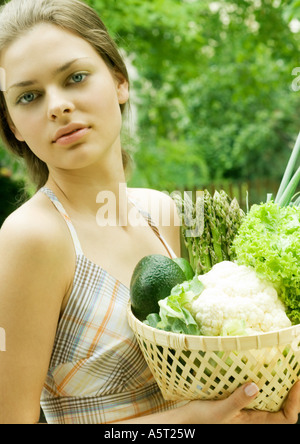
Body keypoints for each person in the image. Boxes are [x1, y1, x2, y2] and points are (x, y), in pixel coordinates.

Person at [0, 0, 299, 425]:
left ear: (119, 82)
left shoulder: (159, 210)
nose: (57, 105)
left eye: (76, 77)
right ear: (13, 124)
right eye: (28, 96)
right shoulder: (32, 238)